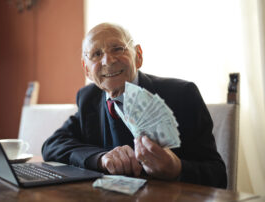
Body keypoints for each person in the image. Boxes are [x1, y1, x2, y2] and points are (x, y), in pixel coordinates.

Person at [42, 23, 227, 188]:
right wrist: (101, 158)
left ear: (138, 56)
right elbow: (52, 145)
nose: (108, 60)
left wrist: (176, 168)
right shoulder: (89, 98)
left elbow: (218, 176)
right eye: (97, 54)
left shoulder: (182, 94)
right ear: (87, 69)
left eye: (117, 49)